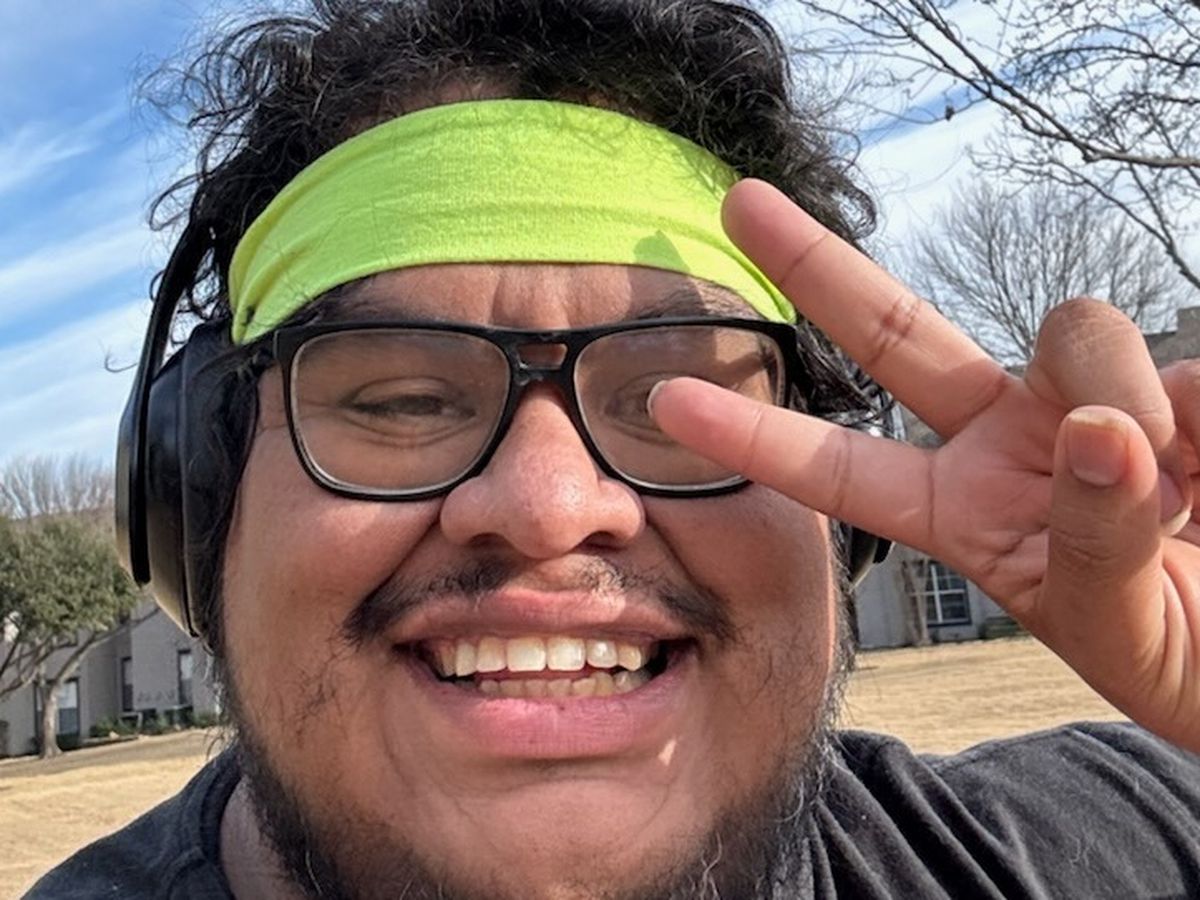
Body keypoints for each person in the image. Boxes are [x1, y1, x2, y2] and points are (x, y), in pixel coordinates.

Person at [28, 1, 1200, 898]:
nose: (548, 506)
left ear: (842, 517)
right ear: (200, 506)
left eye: (683, 401)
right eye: (402, 400)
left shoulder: (1123, 843)